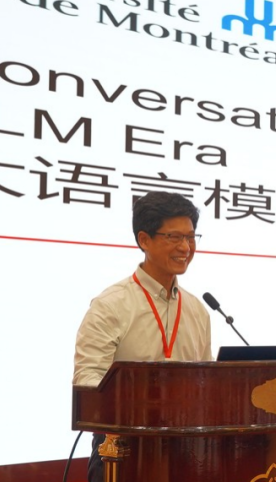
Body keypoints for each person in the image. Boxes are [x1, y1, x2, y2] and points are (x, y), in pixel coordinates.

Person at [73, 191, 213, 482]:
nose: (185, 247)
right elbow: (87, 380)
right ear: (144, 240)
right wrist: (141, 406)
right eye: (174, 237)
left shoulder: (197, 310)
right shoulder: (111, 305)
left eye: (191, 237)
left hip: (186, 453)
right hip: (120, 453)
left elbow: (206, 379)